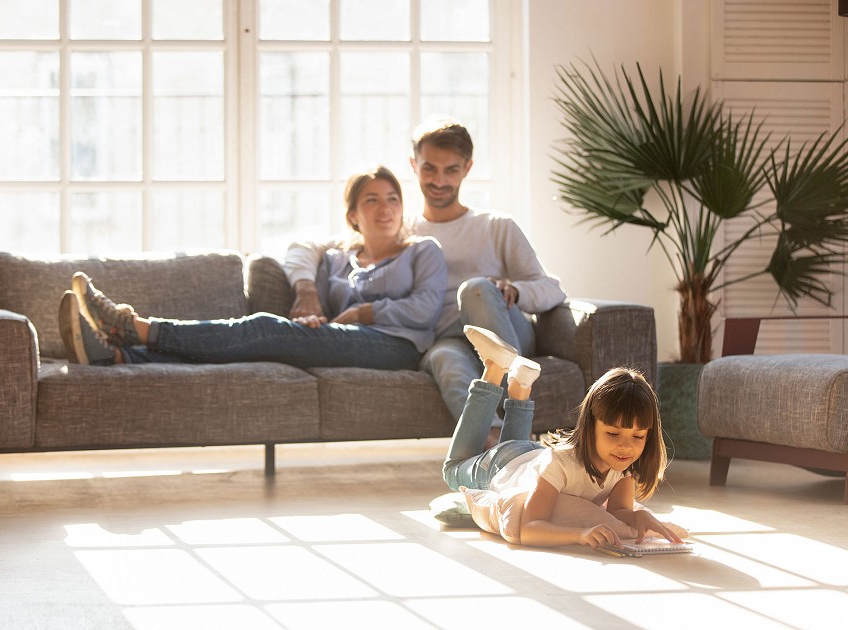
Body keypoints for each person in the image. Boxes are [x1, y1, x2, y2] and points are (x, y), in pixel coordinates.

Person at [284, 119, 566, 447]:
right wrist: (306, 288)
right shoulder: (402, 230)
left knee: (474, 289)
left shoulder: (495, 227)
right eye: (429, 169)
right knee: (443, 359)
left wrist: (515, 290)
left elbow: (552, 288)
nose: (439, 180)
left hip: (503, 330)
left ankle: (518, 399)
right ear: (413, 165)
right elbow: (307, 246)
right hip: (451, 340)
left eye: (451, 170)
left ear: (468, 169)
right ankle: (502, 450)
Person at [58, 166, 447, 370]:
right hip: (344, 340)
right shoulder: (335, 260)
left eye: (393, 199)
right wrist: (313, 311)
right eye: (373, 200)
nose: (386, 209)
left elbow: (425, 309)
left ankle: (134, 329)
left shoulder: (422, 251)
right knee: (255, 346)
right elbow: (306, 264)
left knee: (265, 327)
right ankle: (119, 357)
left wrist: (365, 311)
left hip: (396, 346)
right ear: (352, 215)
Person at [445, 325, 687, 549]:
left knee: (518, 452)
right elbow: (529, 529)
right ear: (590, 426)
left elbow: (618, 510)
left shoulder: (623, 464)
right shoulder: (562, 464)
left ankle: (520, 386)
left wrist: (636, 515)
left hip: (528, 455)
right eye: (613, 433)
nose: (626, 446)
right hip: (499, 465)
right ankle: (494, 370)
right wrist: (579, 535)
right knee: (452, 471)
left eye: (638, 436)